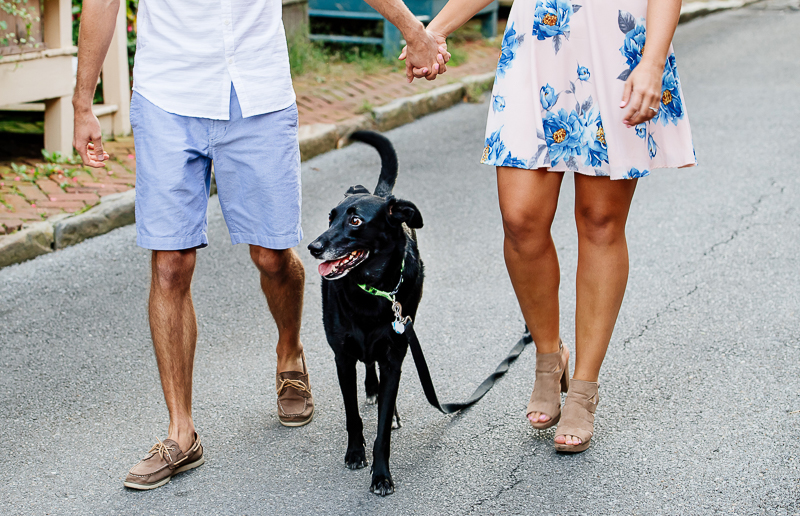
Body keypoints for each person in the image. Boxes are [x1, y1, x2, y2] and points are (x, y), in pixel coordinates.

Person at [72, 0, 450, 490]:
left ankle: (290, 352)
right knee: (170, 264)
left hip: (257, 93)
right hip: (167, 93)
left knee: (272, 256)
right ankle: (180, 432)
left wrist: (412, 30)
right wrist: (84, 100)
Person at [418, 0, 696, 452]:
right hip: (537, 51)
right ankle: (550, 357)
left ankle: (583, 387)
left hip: (617, 49)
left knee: (600, 221)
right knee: (520, 220)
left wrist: (653, 61)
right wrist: (434, 32)